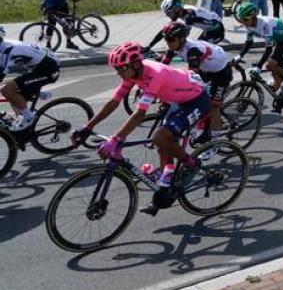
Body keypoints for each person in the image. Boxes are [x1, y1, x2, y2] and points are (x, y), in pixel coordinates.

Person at [73, 42, 210, 216]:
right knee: (164, 140)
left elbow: (139, 113)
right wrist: (88, 126)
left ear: (136, 64)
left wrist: (116, 139)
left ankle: (192, 164)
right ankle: (165, 188)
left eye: (121, 68)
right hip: (178, 99)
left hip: (197, 99)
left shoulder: (155, 74)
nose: (118, 73)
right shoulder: (131, 74)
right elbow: (113, 102)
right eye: (116, 69)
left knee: (160, 137)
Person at [157, 22, 229, 146]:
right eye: (166, 39)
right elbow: (163, 67)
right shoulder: (175, 46)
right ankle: (202, 120)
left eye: (170, 39)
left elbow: (190, 78)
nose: (167, 42)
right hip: (206, 68)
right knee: (193, 96)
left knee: (213, 108)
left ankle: (215, 143)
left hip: (221, 72)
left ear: (181, 38)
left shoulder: (192, 51)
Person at [235, 2, 283, 108]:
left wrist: (259, 67)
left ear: (253, 16)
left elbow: (268, 49)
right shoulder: (249, 24)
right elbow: (249, 42)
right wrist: (239, 56)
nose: (244, 23)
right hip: (279, 41)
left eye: (245, 20)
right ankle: (282, 98)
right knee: (275, 73)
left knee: (270, 65)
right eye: (241, 20)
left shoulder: (265, 24)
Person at [0, 27, 60, 132]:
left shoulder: (8, 50)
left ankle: (29, 117)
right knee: (15, 99)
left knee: (6, 90)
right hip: (38, 69)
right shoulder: (4, 45)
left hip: (49, 70)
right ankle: (23, 132)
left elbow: (1, 73)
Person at [152, 0, 225, 45]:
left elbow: (184, 34)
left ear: (176, 9)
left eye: (169, 13)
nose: (168, 15)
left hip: (217, 32)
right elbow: (165, 30)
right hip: (209, 30)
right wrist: (149, 46)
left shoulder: (189, 15)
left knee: (200, 52)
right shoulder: (182, 11)